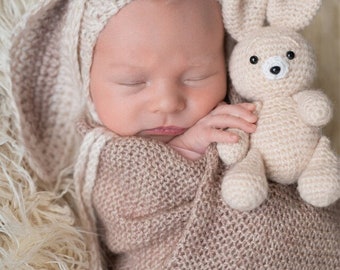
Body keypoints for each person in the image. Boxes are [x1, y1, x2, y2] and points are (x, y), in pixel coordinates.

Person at [11, 0, 340, 269]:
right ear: (88, 82)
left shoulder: (253, 109)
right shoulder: (110, 156)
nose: (167, 102)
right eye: (133, 82)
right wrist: (188, 147)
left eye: (197, 76)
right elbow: (124, 215)